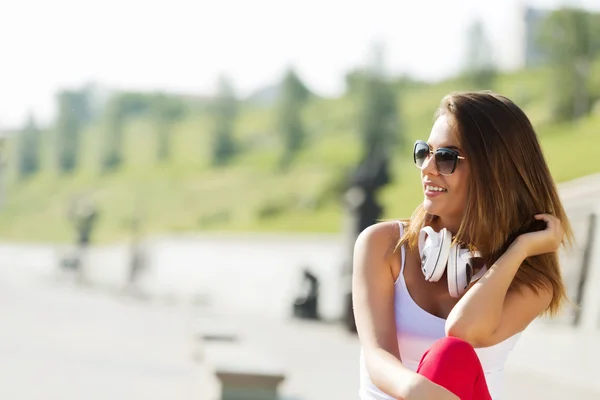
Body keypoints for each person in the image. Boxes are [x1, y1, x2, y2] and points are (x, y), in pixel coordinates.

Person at [352, 91, 572, 400]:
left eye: (446, 157)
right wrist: (418, 391)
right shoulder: (383, 245)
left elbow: (463, 331)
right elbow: (377, 358)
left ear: (494, 172)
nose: (428, 168)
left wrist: (518, 251)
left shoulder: (531, 282)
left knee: (451, 355)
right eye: (424, 152)